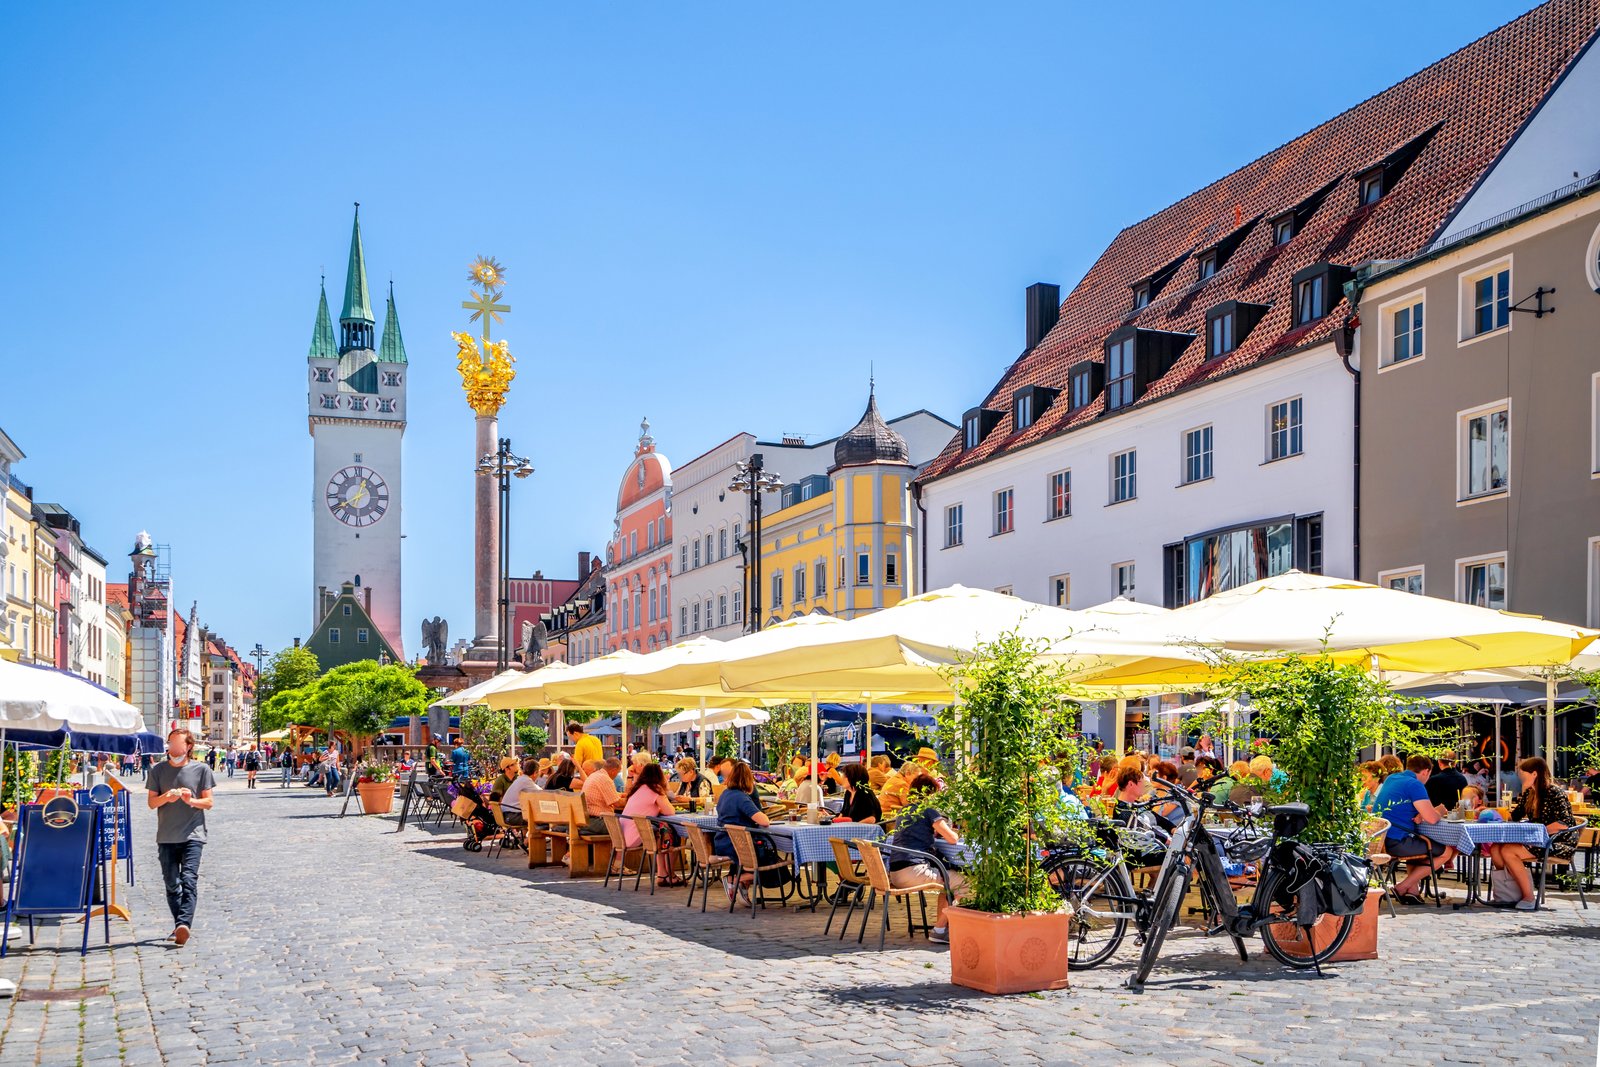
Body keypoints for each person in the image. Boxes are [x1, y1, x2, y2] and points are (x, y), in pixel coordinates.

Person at [147, 728, 216, 947]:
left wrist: (190, 801)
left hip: (193, 835)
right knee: (171, 884)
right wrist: (166, 797)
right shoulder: (157, 770)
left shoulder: (201, 770)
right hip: (166, 836)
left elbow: (209, 803)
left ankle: (184, 923)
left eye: (177, 745)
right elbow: (151, 803)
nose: (173, 749)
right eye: (170, 744)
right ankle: (180, 927)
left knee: (188, 879)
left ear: (188, 747)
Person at [887, 773, 966, 944]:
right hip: (913, 871)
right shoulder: (929, 810)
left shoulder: (905, 810)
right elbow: (952, 838)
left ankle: (942, 928)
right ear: (931, 793)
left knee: (948, 883)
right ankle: (939, 929)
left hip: (895, 873)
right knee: (964, 883)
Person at [1487, 756, 1574, 911]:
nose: (1520, 777)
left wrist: (1539, 831)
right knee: (1495, 849)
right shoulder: (1529, 793)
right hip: (1535, 839)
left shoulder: (1555, 792)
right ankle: (1506, 895)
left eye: (1523, 774)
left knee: (1508, 851)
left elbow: (1564, 823)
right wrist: (1490, 811)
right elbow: (1515, 816)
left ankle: (1528, 897)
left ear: (1534, 774)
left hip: (1556, 842)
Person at [1376, 754, 1458, 905]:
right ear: (1426, 771)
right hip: (1397, 841)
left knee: (1419, 847)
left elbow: (1406, 808)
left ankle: (1413, 890)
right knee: (1447, 852)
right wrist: (1440, 810)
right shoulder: (1415, 784)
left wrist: (1421, 812)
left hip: (1382, 839)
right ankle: (1402, 887)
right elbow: (1432, 818)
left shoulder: (1392, 779)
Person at [713, 760, 773, 901]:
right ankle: (734, 879)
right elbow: (764, 821)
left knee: (764, 855)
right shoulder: (742, 798)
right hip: (738, 846)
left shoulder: (725, 794)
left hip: (723, 842)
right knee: (772, 863)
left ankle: (740, 884)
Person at [622, 763, 681, 886]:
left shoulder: (637, 788)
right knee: (673, 835)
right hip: (636, 835)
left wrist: (655, 809)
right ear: (659, 776)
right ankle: (670, 874)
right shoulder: (655, 789)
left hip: (624, 835)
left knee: (661, 834)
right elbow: (670, 812)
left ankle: (662, 874)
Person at [580, 758, 625, 834]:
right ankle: (624, 846)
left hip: (588, 819)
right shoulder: (605, 779)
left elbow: (607, 795)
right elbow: (617, 803)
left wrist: (622, 795)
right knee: (630, 826)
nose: (617, 775)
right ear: (613, 770)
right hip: (599, 821)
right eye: (617, 772)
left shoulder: (594, 775)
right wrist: (632, 800)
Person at [500, 758, 540, 825]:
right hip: (512, 816)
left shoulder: (521, 779)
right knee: (542, 821)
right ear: (535, 773)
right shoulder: (526, 781)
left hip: (506, 815)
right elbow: (544, 794)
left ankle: (528, 835)